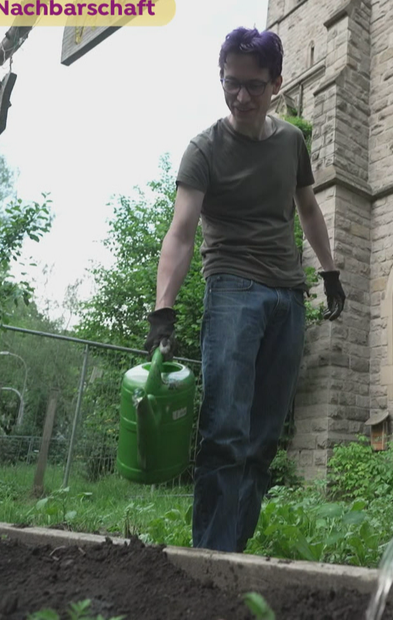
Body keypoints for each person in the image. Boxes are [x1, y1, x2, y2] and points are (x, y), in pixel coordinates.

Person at [144, 27, 346, 553]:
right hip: (232, 290)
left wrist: (329, 272)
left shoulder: (290, 143)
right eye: (231, 83)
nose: (240, 96)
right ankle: (208, 560)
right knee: (225, 431)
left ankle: (234, 554)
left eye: (254, 86)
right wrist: (162, 310)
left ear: (275, 84)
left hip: (287, 296)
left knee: (261, 440)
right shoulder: (204, 150)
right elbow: (181, 233)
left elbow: (309, 209)